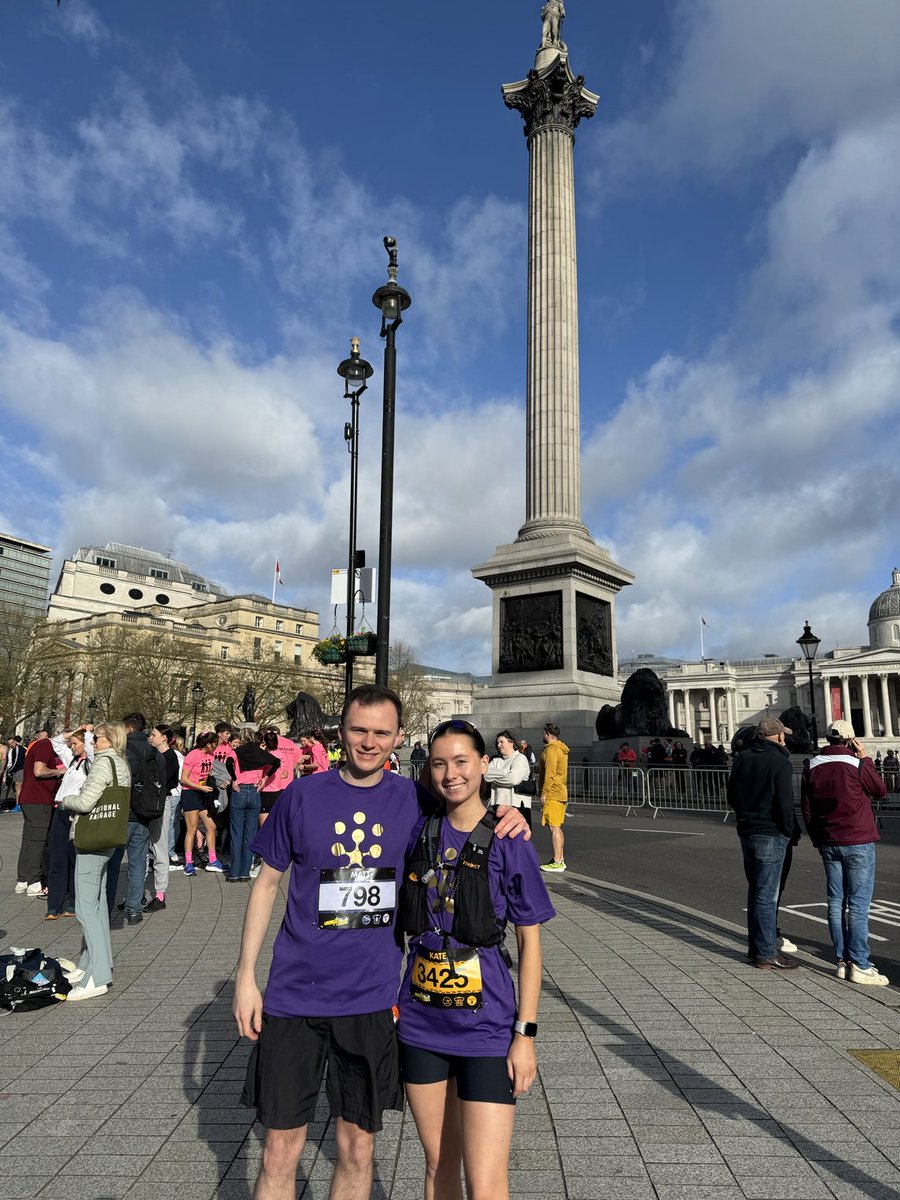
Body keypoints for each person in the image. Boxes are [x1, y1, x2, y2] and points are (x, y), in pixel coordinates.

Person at [233, 687, 528, 1200]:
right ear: (340, 732)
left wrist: (510, 815)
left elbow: (466, 799)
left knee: (357, 1149)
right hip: (293, 997)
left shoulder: (414, 797)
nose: (368, 742)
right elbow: (265, 885)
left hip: (370, 1002)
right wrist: (244, 978)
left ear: (396, 737)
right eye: (358, 730)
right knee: (279, 1151)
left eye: (381, 732)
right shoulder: (302, 796)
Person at [397, 721, 554, 1200]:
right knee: (439, 1166)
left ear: (484, 765)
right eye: (439, 763)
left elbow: (531, 945)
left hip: (486, 1027)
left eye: (462, 761)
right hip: (421, 1023)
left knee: (485, 1182)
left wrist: (525, 1035)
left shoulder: (509, 838)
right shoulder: (418, 829)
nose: (450, 774)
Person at [801, 719, 888, 985]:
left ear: (827, 739)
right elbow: (880, 791)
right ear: (850, 740)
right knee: (859, 904)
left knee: (836, 902)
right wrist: (866, 759)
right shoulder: (857, 764)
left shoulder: (811, 765)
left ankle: (842, 960)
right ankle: (860, 963)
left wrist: (818, 838)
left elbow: (807, 808)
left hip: (829, 840)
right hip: (858, 839)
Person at [58, 722, 131, 1000]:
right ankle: (95, 962)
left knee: (86, 908)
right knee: (98, 904)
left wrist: (67, 800)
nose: (92, 741)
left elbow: (87, 802)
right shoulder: (121, 764)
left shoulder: (103, 764)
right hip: (110, 837)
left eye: (96, 737)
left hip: (92, 839)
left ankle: (98, 976)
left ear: (108, 740)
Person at [726, 717, 798, 971]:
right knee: (767, 895)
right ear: (778, 736)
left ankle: (755, 947)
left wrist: (745, 817)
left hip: (747, 830)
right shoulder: (780, 761)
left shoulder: (742, 758)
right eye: (784, 735)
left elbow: (731, 794)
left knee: (755, 890)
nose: (785, 738)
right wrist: (787, 830)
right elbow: (785, 804)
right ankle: (767, 953)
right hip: (771, 832)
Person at [45, 727, 94, 920]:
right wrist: (75, 731)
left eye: (75, 744)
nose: (71, 747)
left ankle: (74, 902)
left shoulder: (91, 762)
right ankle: (54, 904)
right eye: (71, 744)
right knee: (57, 857)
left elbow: (90, 748)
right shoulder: (72, 760)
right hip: (60, 811)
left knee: (74, 857)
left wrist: (88, 733)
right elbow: (56, 743)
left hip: (76, 812)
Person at [15, 729, 65, 896]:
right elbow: (39, 770)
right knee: (38, 840)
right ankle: (34, 882)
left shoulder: (40, 745)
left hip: (30, 798)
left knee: (28, 839)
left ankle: (22, 879)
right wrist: (60, 771)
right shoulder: (46, 745)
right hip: (39, 799)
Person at [229, 729, 279, 882]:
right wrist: (264, 778)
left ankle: (234, 873)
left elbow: (229, 763)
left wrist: (234, 778)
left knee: (236, 833)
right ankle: (245, 873)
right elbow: (276, 762)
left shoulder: (237, 751)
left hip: (239, 791)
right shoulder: (260, 752)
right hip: (255, 791)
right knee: (250, 834)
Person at [144, 725, 182, 911]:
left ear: (164, 738)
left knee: (160, 847)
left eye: (154, 735)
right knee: (143, 848)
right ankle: (138, 893)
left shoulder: (170, 757)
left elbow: (166, 781)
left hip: (161, 802)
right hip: (147, 802)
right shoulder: (150, 754)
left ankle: (160, 893)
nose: (150, 737)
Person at [179, 731, 223, 876]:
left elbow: (207, 774)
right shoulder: (193, 754)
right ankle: (188, 863)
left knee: (211, 826)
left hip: (203, 794)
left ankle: (212, 859)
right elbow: (183, 779)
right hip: (190, 793)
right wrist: (200, 787)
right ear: (208, 744)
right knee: (192, 829)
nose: (216, 748)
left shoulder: (211, 755)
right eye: (215, 744)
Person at [538, 722, 569, 873]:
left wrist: (543, 793)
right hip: (560, 791)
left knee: (554, 827)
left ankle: (557, 861)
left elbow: (549, 773)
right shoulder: (562, 749)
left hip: (553, 792)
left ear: (547, 734)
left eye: (543, 733)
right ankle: (560, 859)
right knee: (557, 827)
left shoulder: (551, 750)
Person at [485, 730, 531, 825]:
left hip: (518, 806)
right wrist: (506, 773)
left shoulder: (520, 758)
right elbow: (485, 775)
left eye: (501, 742)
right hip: (497, 805)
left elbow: (513, 779)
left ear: (511, 743)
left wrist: (494, 779)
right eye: (497, 742)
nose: (498, 745)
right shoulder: (496, 760)